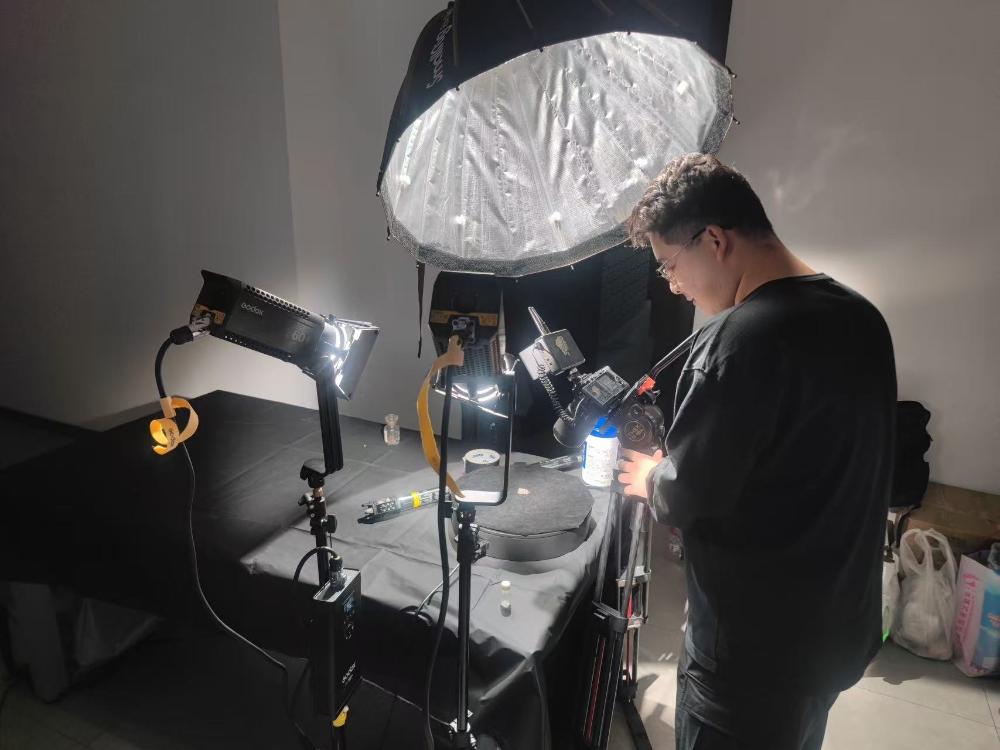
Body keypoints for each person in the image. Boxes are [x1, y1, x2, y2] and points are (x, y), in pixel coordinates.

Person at [617, 154, 897, 750]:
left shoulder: (736, 344)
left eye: (670, 265)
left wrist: (653, 477)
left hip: (749, 664)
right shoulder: (863, 318)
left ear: (715, 241)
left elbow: (688, 494)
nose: (673, 285)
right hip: (832, 638)